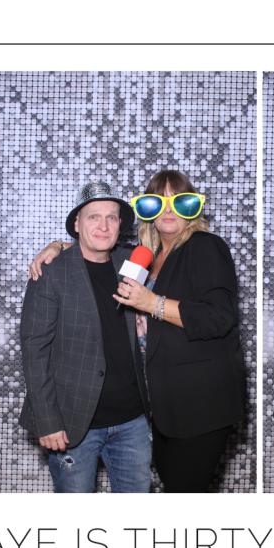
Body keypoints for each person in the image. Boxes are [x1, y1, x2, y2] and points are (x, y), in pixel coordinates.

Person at [36, 171, 244, 492]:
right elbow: (98, 250)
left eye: (180, 201)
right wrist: (60, 246)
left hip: (200, 406)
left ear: (193, 208)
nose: (169, 210)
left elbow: (219, 317)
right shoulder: (148, 255)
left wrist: (152, 303)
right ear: (147, 210)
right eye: (157, 202)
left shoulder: (206, 246)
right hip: (162, 409)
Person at [20, 182, 151, 493]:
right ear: (77, 224)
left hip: (132, 421)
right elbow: (34, 350)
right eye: (94, 217)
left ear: (120, 225)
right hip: (73, 423)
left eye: (111, 217)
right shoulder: (51, 273)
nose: (103, 226)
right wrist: (48, 421)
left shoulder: (130, 263)